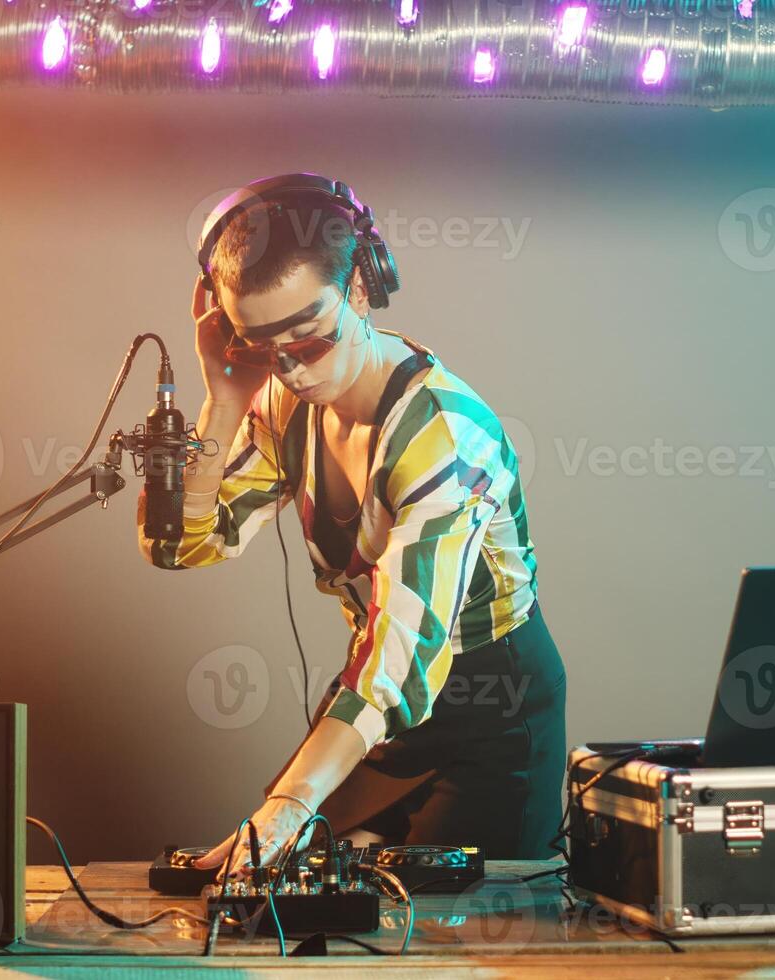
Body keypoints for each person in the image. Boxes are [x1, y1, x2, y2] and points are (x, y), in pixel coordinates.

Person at [138, 174, 565, 875]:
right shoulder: (282, 402)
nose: (289, 371)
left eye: (307, 341)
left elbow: (400, 659)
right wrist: (222, 399)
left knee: (451, 938)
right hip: (375, 699)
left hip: (488, 709)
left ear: (362, 288)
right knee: (295, 896)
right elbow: (180, 546)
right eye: (257, 347)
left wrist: (288, 802)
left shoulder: (445, 438)